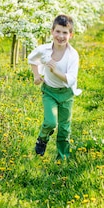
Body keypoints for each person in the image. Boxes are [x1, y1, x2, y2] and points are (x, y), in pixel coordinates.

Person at [28, 14, 81, 161]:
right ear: (52, 31)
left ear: (71, 35)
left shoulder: (72, 55)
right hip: (49, 91)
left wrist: (54, 70)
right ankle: (42, 139)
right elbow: (32, 59)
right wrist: (36, 76)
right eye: (58, 31)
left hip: (66, 94)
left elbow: (71, 79)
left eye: (65, 33)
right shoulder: (44, 50)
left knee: (64, 127)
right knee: (51, 122)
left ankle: (62, 157)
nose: (61, 36)